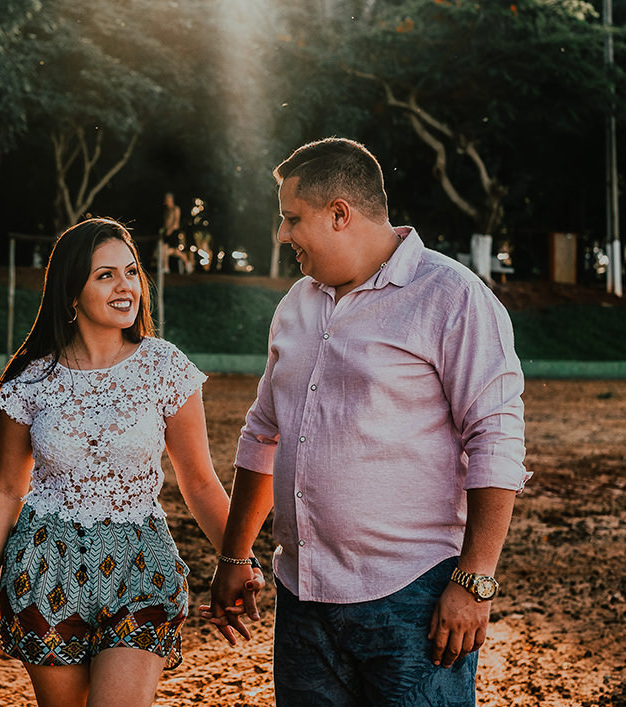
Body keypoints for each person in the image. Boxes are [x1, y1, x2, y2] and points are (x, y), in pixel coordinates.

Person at [205, 138, 528, 705]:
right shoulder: (296, 306)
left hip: (414, 598)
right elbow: (262, 433)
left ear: (338, 214)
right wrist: (234, 555)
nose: (282, 235)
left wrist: (475, 581)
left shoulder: (451, 295)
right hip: (302, 599)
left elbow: (495, 435)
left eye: (290, 219)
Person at [0, 217, 262, 707]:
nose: (125, 286)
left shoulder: (165, 367)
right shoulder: (31, 381)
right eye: (105, 275)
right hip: (45, 569)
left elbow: (200, 483)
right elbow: (5, 489)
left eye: (130, 272)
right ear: (71, 294)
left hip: (141, 566)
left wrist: (239, 558)